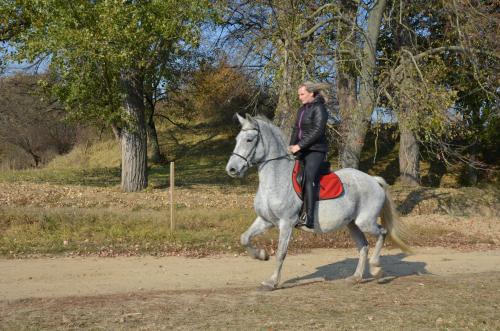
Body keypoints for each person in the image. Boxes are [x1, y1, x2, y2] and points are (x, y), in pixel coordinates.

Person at [288, 81, 329, 230]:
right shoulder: (302, 110)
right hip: (302, 149)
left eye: (302, 94)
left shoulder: (320, 109)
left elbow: (317, 131)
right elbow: (296, 129)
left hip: (316, 150)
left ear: (311, 93)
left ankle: (309, 218)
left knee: (309, 177)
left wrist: (299, 145)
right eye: (299, 94)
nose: (299, 97)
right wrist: (290, 146)